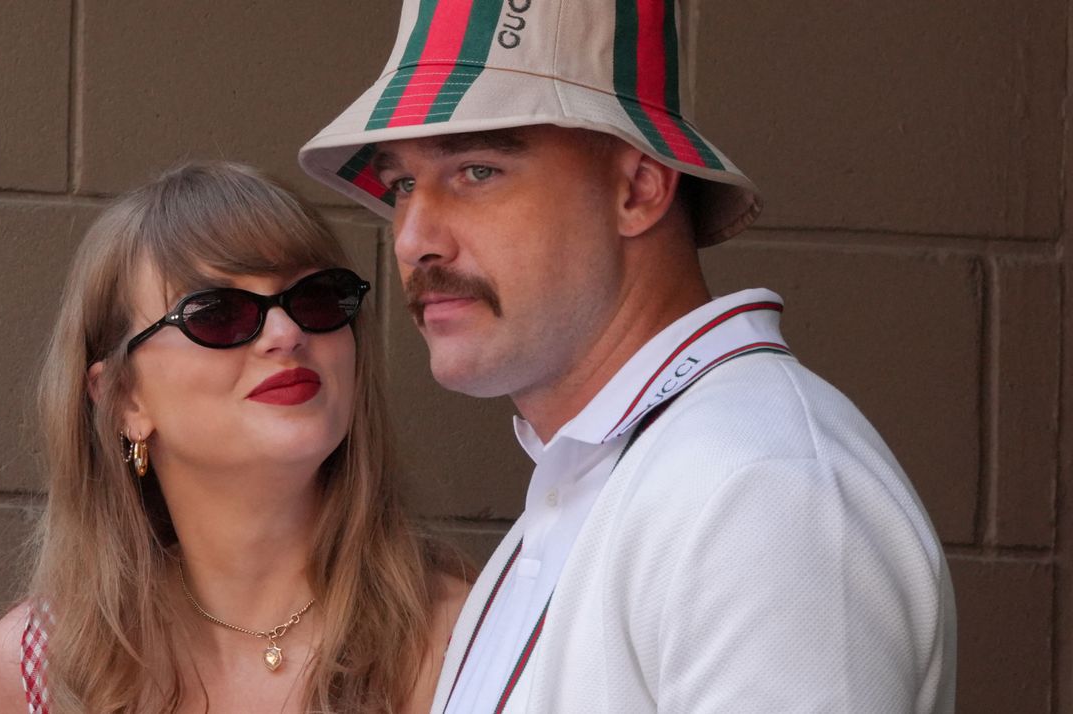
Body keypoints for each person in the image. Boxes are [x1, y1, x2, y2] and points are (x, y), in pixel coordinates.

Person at [299, 1, 955, 712]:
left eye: (477, 171)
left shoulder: (755, 487)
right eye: (402, 185)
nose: (412, 239)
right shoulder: (613, 479)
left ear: (638, 188)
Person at [0, 162, 468, 713]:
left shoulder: (464, 640)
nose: (286, 335)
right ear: (123, 398)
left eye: (316, 298)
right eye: (217, 314)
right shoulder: (39, 668)